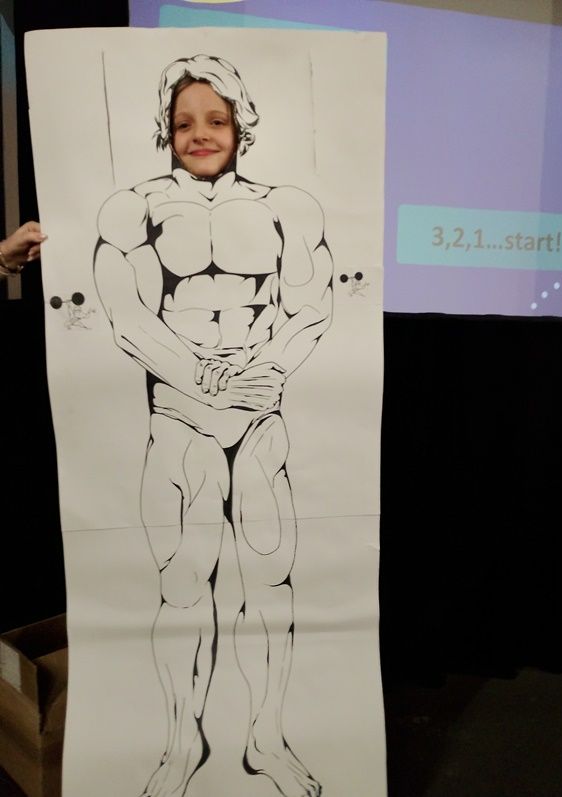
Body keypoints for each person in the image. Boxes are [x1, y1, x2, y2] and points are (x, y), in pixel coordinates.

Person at [94, 53, 332, 797]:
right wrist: (196, 373)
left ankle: (266, 739)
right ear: (165, 131)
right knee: (182, 587)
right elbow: (127, 315)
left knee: (270, 583)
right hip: (180, 418)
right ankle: (180, 743)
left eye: (216, 119)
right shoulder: (131, 209)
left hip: (259, 416)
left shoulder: (288, 207)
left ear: (240, 126)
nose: (200, 134)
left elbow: (312, 305)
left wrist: (271, 366)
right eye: (184, 122)